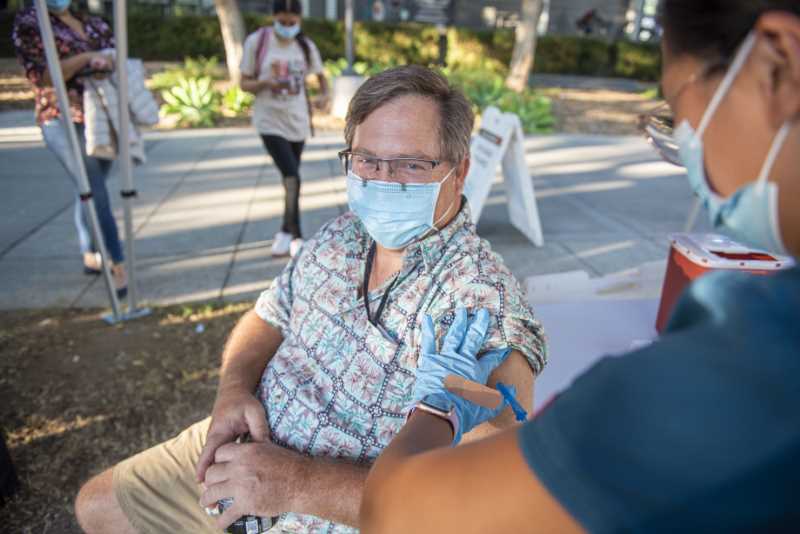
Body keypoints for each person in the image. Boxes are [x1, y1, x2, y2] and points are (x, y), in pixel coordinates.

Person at [359, 1, 800, 532]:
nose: (693, 161)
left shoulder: (754, 368)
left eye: (680, 118)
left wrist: (437, 409)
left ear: (779, 66)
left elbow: (396, 513)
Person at [74, 65, 546, 533]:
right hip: (240, 450)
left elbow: (480, 498)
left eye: (411, 164)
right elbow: (268, 316)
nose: (383, 180)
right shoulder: (341, 236)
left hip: (330, 513)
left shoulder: (481, 307)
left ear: (459, 171)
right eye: (366, 160)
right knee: (98, 505)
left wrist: (299, 484)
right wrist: (233, 391)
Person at [12, 0, 127, 297]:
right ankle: (117, 263)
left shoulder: (91, 21)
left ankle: (90, 252)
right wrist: (89, 57)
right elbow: (45, 76)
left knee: (87, 188)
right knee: (93, 188)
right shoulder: (31, 22)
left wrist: (102, 62)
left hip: (100, 115)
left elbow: (116, 55)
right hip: (62, 117)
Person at [240, 0, 330, 258]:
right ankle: (298, 237)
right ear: (274, 17)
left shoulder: (304, 45)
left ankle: (283, 232)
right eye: (283, 21)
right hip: (269, 119)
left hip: (297, 119)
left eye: (293, 22)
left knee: (290, 179)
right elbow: (243, 83)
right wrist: (264, 82)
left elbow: (321, 77)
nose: (288, 26)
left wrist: (324, 96)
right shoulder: (258, 41)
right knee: (292, 177)